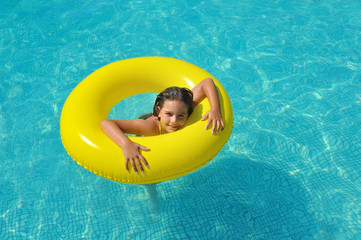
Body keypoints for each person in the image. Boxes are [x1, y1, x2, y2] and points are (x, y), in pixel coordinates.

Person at [100, 78, 225, 173]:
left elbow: (207, 82)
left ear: (187, 112)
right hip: (147, 136)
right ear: (159, 111)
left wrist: (215, 109)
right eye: (169, 114)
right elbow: (106, 123)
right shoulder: (148, 127)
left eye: (181, 116)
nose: (174, 121)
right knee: (148, 171)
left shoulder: (184, 107)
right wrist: (126, 144)